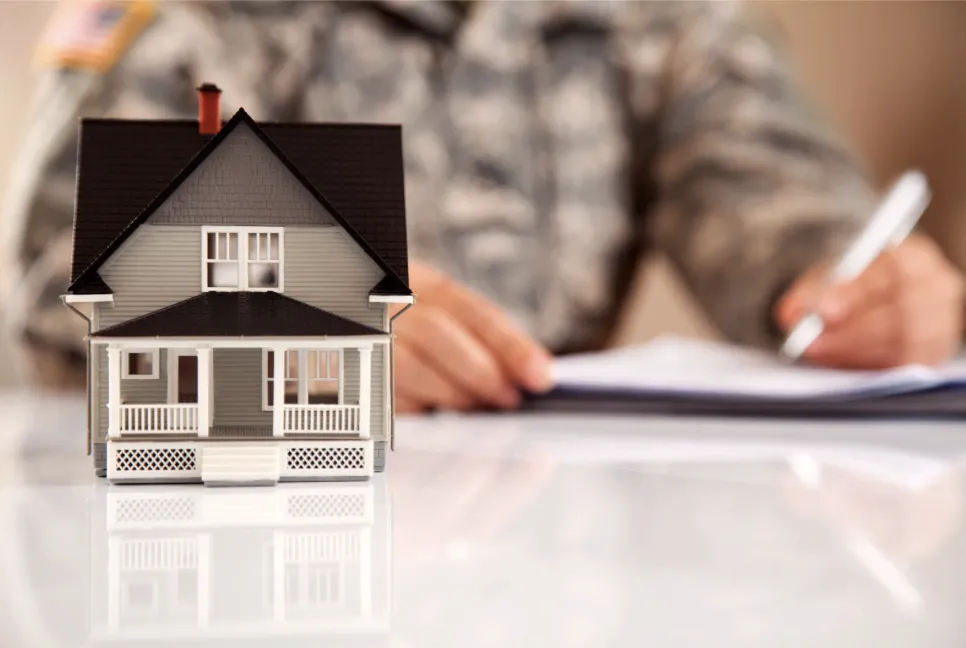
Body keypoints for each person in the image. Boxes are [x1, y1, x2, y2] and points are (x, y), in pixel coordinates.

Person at [1, 0, 963, 411]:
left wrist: (872, 296)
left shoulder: (660, 17)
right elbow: (56, 272)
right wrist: (285, 302)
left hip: (556, 564)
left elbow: (789, 215)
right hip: (241, 542)